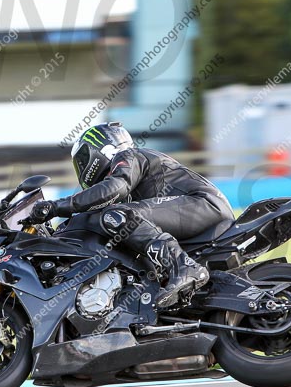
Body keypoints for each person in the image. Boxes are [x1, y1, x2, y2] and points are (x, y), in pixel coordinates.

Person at [27, 122, 234, 309]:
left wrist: (56, 207)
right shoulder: (131, 180)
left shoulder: (128, 156)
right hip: (199, 214)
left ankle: (184, 267)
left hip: (203, 204)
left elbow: (114, 188)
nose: (81, 167)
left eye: (82, 159)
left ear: (101, 149)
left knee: (116, 216)